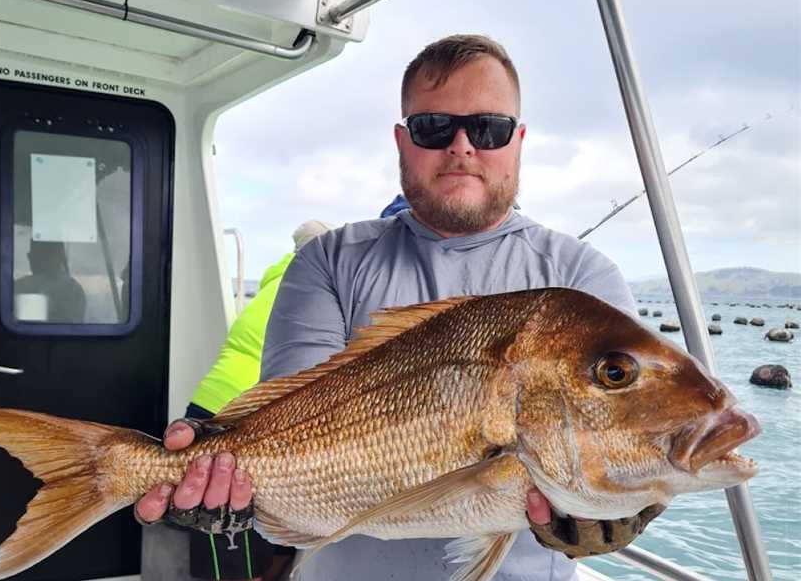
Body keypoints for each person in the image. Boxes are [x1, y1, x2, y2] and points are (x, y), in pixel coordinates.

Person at [136, 34, 663, 579]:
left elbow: (631, 423)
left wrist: (622, 508)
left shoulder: (581, 277)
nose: (462, 146)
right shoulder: (330, 260)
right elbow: (287, 421)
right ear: (402, 140)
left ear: (519, 139)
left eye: (489, 128)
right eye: (434, 127)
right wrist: (224, 479)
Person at [184, 220, 335, 581]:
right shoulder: (311, 290)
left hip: (212, 405)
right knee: (236, 535)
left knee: (239, 531)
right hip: (244, 415)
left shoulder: (271, 284)